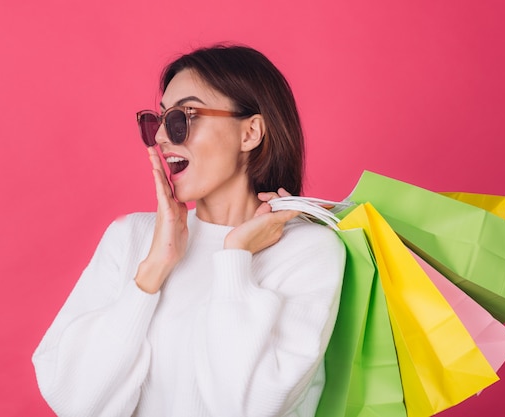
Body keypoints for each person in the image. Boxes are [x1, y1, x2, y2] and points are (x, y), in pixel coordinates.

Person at [32, 44, 346, 417]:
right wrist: (154, 270)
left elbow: (249, 408)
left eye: (184, 117)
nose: (163, 137)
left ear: (251, 132)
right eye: (159, 120)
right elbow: (74, 401)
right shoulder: (132, 237)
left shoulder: (310, 251)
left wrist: (235, 257)